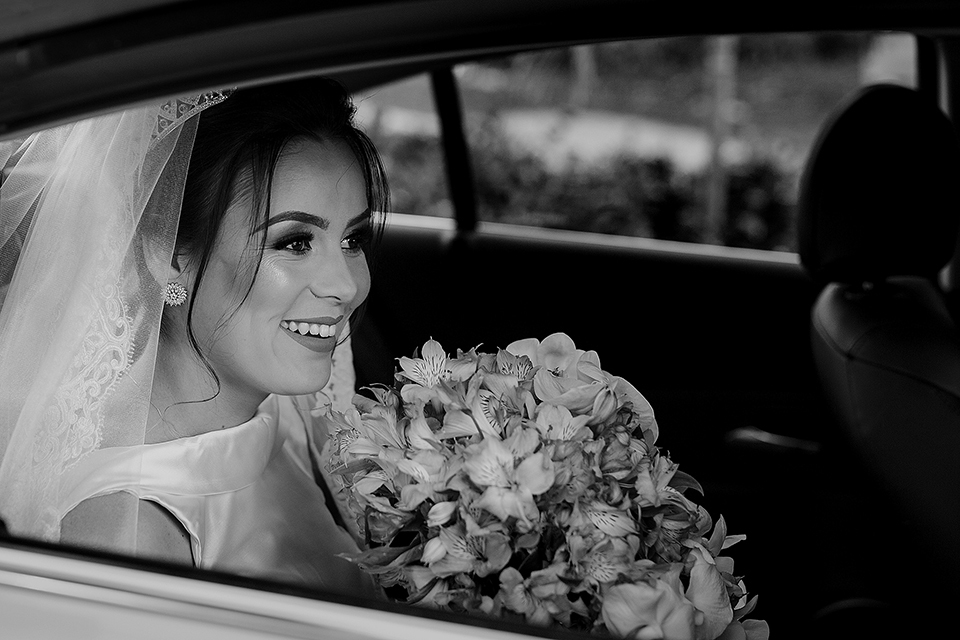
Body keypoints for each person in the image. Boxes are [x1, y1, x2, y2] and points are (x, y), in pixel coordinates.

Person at [0, 77, 388, 597]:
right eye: (295, 243)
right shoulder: (130, 536)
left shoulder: (290, 413)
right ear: (168, 255)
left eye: (352, 239)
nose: (347, 285)